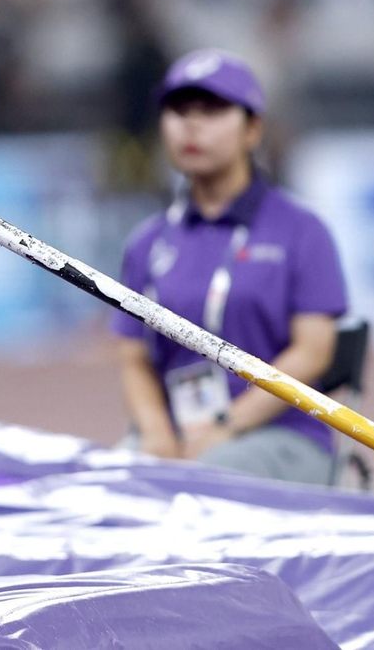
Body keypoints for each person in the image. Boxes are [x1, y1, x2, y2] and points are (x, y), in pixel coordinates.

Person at [113, 50, 349, 486]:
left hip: (283, 437)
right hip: (176, 440)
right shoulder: (147, 242)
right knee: (102, 485)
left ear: (253, 128)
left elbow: (314, 351)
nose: (192, 124)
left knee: (204, 480)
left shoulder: (301, 231)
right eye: (179, 110)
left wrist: (224, 427)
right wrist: (156, 432)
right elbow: (134, 357)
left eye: (213, 110)